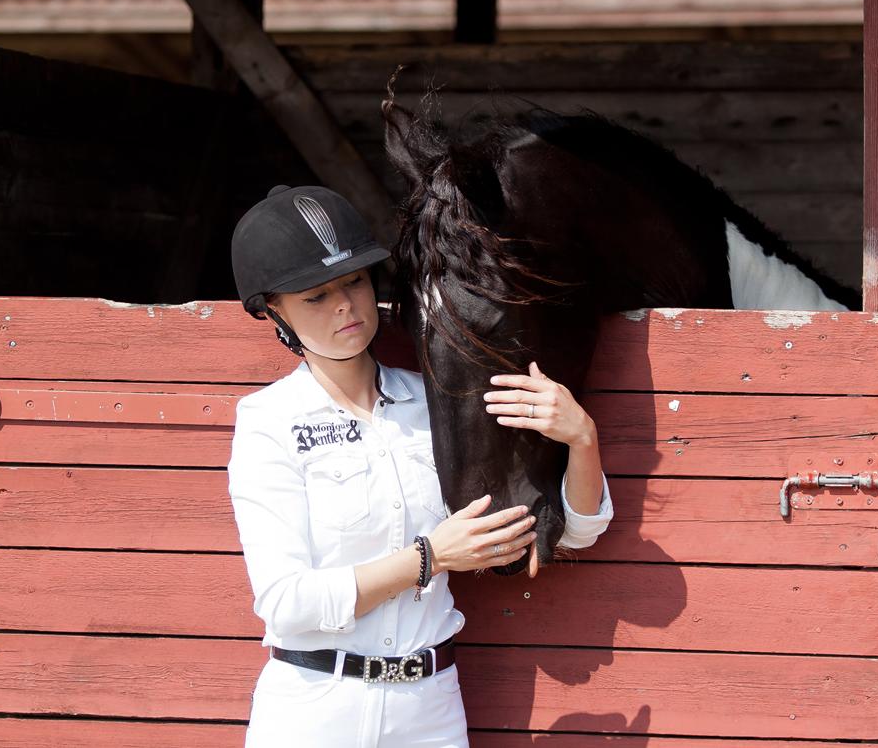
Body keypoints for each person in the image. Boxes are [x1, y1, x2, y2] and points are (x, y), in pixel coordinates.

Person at [228, 185, 614, 747]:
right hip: (316, 711)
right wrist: (431, 558)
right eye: (316, 296)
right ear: (272, 310)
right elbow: (287, 604)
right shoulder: (269, 420)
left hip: (429, 710)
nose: (345, 305)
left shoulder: (439, 403)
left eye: (355, 281)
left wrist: (581, 437)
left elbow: (577, 531)